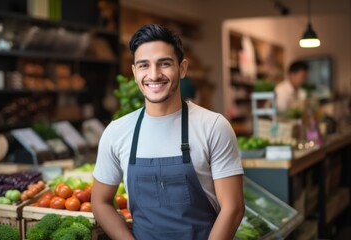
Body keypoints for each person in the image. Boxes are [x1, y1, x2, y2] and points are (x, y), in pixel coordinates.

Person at [91, 23, 245, 240]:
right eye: (144, 65)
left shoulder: (213, 126)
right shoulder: (117, 132)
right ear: (135, 72)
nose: (154, 75)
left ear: (182, 68)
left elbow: (233, 207)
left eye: (164, 64)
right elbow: (100, 202)